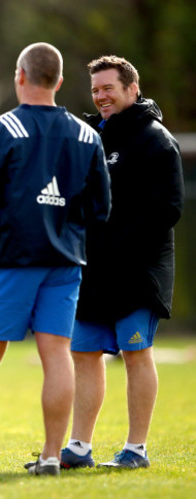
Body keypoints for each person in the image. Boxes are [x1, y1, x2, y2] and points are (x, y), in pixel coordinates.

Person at [0, 42, 111, 477]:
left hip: (11, 260)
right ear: (60, 81)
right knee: (57, 354)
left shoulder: (1, 129)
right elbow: (100, 208)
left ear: (20, 76)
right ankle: (52, 457)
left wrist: (4, 228)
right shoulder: (88, 135)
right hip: (65, 263)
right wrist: (63, 226)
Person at [60, 56, 184, 470]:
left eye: (108, 88)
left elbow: (168, 209)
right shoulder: (90, 136)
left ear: (132, 88)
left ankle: (136, 449)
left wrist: (118, 242)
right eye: (95, 90)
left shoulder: (156, 140)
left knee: (136, 354)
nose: (100, 96)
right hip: (93, 270)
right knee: (83, 353)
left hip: (137, 270)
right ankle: (78, 448)